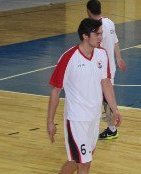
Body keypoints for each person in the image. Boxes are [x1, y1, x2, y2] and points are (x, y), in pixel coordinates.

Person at [47, 18, 122, 174]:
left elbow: (106, 83)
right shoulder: (68, 58)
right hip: (76, 119)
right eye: (97, 34)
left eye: (101, 34)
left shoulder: (102, 54)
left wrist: (115, 110)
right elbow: (55, 91)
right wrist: (50, 121)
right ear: (85, 36)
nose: (101, 37)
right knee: (84, 164)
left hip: (93, 119)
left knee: (77, 162)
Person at [86, 0, 127, 141]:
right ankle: (109, 127)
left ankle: (112, 129)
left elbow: (93, 49)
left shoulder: (95, 28)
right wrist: (119, 58)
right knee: (104, 99)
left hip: (101, 70)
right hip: (111, 68)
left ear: (89, 11)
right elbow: (115, 42)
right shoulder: (109, 22)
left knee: (103, 100)